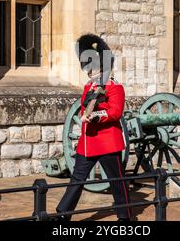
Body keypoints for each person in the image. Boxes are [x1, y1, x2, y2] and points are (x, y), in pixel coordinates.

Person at [55, 34, 132, 221]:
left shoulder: (115, 87)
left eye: (92, 68)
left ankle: (125, 216)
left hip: (107, 142)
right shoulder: (88, 89)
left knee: (116, 181)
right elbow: (83, 109)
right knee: (77, 179)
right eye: (88, 68)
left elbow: (115, 112)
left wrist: (95, 116)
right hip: (88, 142)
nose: (89, 72)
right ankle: (62, 215)